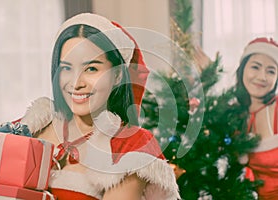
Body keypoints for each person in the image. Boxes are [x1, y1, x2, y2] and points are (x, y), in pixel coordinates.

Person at [15, 13, 180, 200]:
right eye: (66, 68)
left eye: (91, 69)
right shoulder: (29, 126)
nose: (76, 83)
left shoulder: (130, 147)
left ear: (118, 76)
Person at [235, 37, 278, 199]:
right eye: (255, 67)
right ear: (242, 69)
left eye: (271, 71)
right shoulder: (235, 113)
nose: (262, 77)